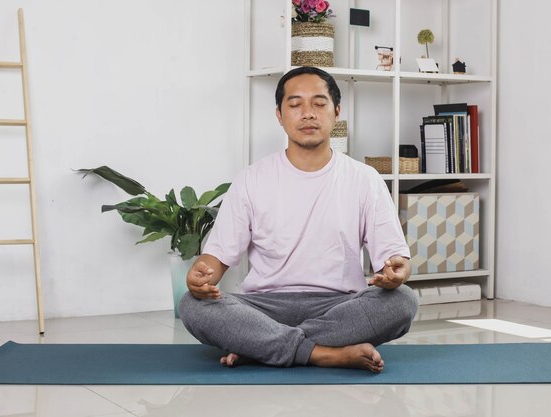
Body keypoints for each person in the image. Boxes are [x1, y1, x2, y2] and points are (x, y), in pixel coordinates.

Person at [179, 66, 418, 373]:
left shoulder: (365, 179)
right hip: (264, 307)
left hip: (339, 306)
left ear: (336, 112)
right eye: (295, 104)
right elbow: (215, 260)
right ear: (280, 115)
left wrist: (399, 270)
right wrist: (198, 278)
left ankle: (263, 347)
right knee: (192, 305)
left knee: (403, 302)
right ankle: (325, 353)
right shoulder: (251, 179)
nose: (308, 113)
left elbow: (395, 259)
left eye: (319, 103)